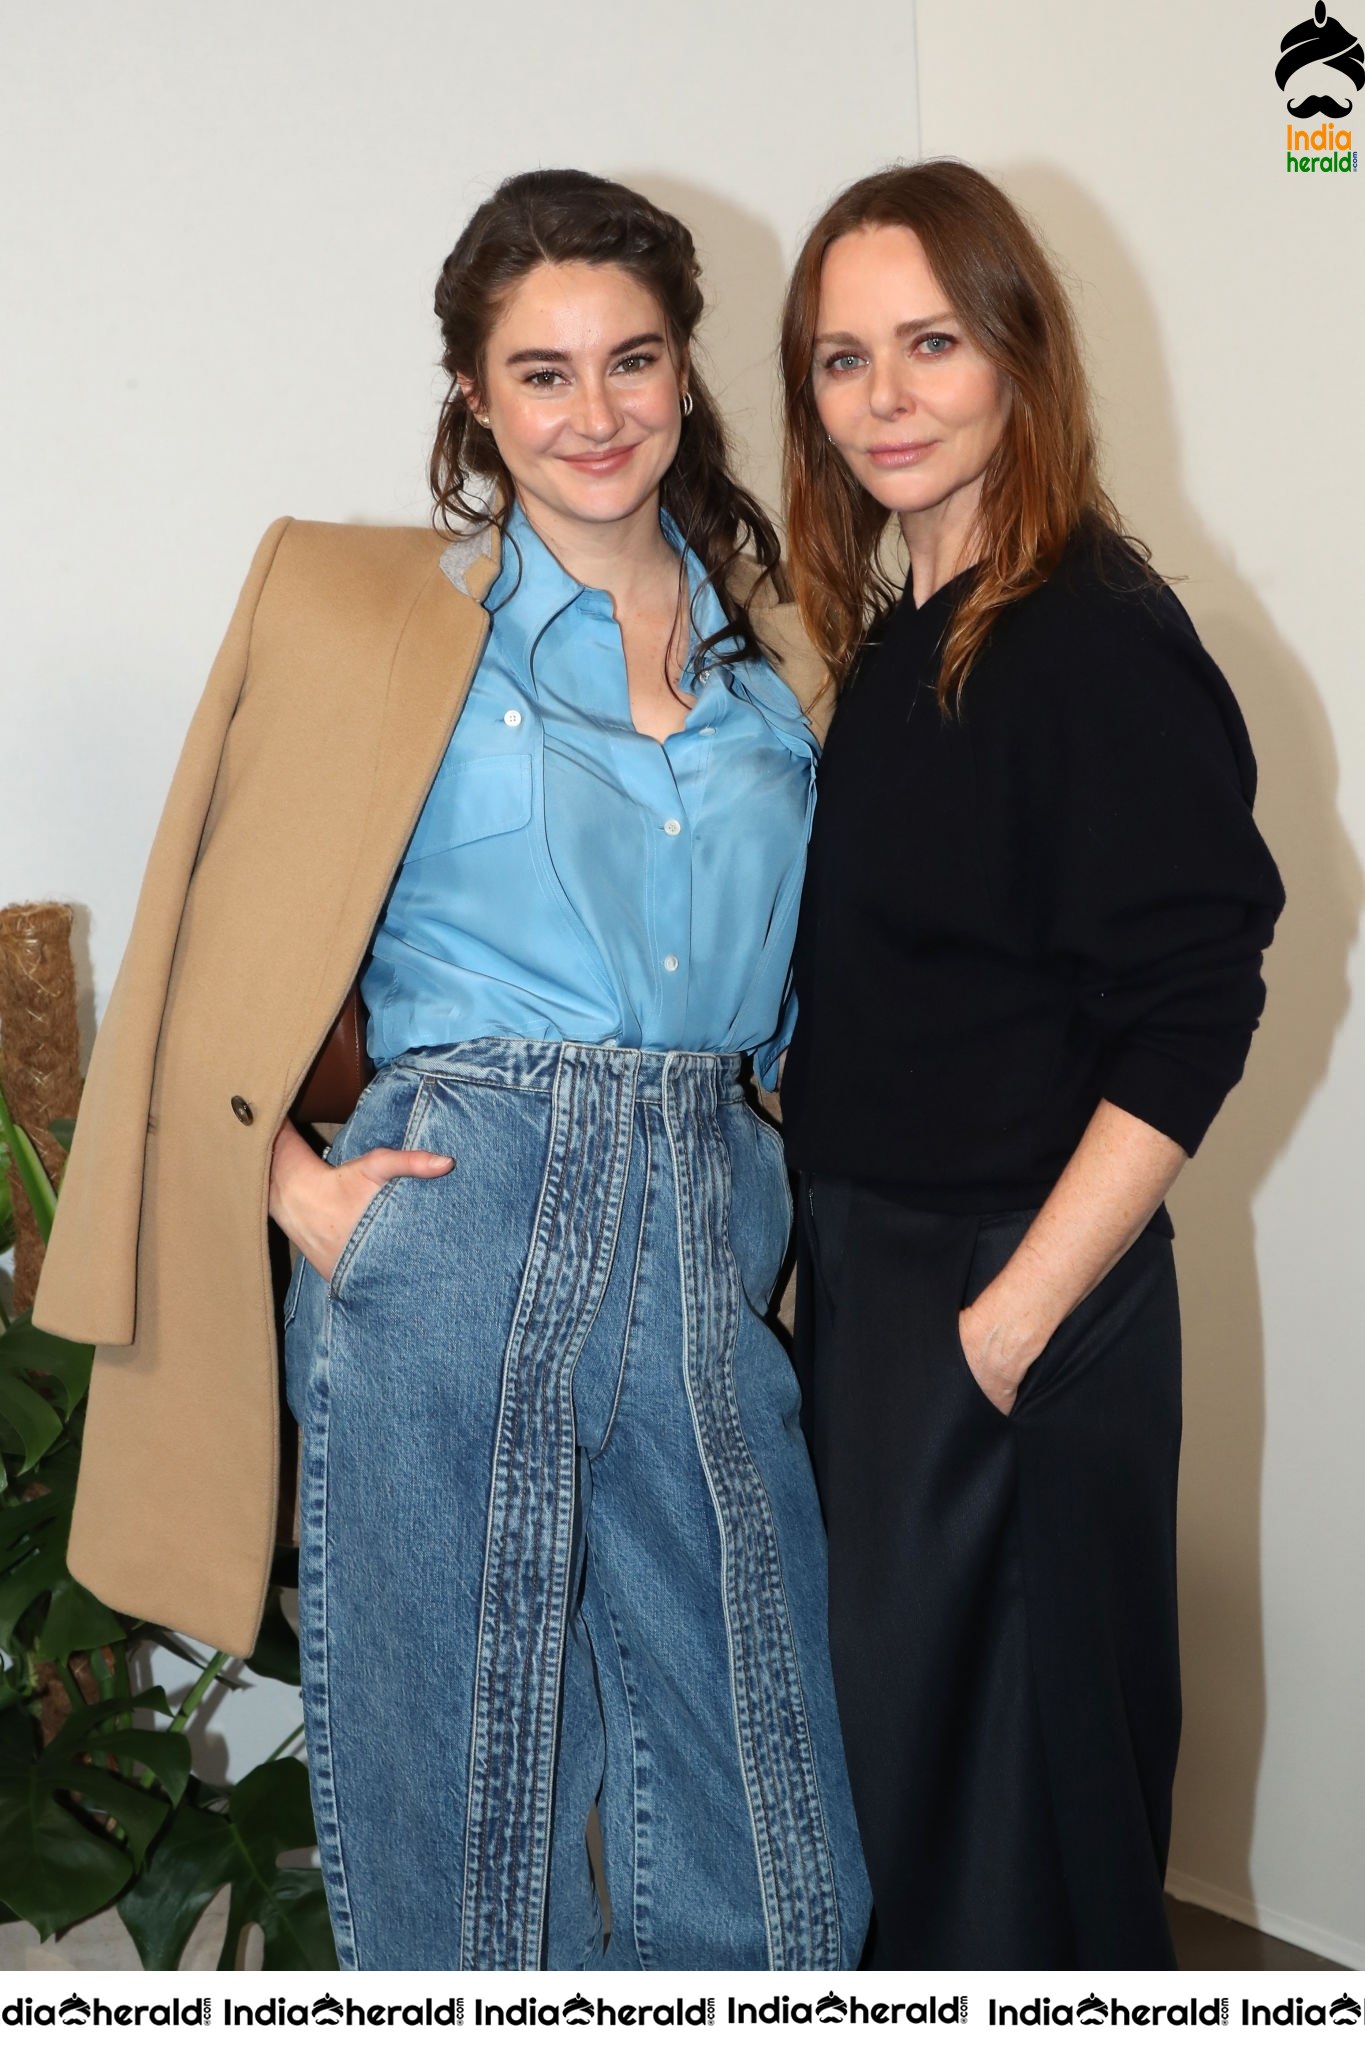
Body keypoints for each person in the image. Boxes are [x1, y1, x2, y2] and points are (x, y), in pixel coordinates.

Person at [35, 169, 869, 1972]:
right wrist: (294, 1191)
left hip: (707, 1205)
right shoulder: (358, 610)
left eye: (631, 361)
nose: (596, 411)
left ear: (685, 371)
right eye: (542, 373)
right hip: (456, 1203)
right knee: (466, 1797)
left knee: (766, 1799)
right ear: (473, 400)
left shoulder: (783, 646)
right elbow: (198, 943)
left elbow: (824, 976)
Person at [776, 160, 1284, 1969]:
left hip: (1003, 1295)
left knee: (1015, 1851)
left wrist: (1003, 1323)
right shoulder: (903, 638)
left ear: (1018, 355)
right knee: (902, 1812)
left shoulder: (1086, 635)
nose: (884, 398)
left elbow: (1194, 1003)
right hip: (881, 1290)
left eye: (929, 342)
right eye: (841, 359)